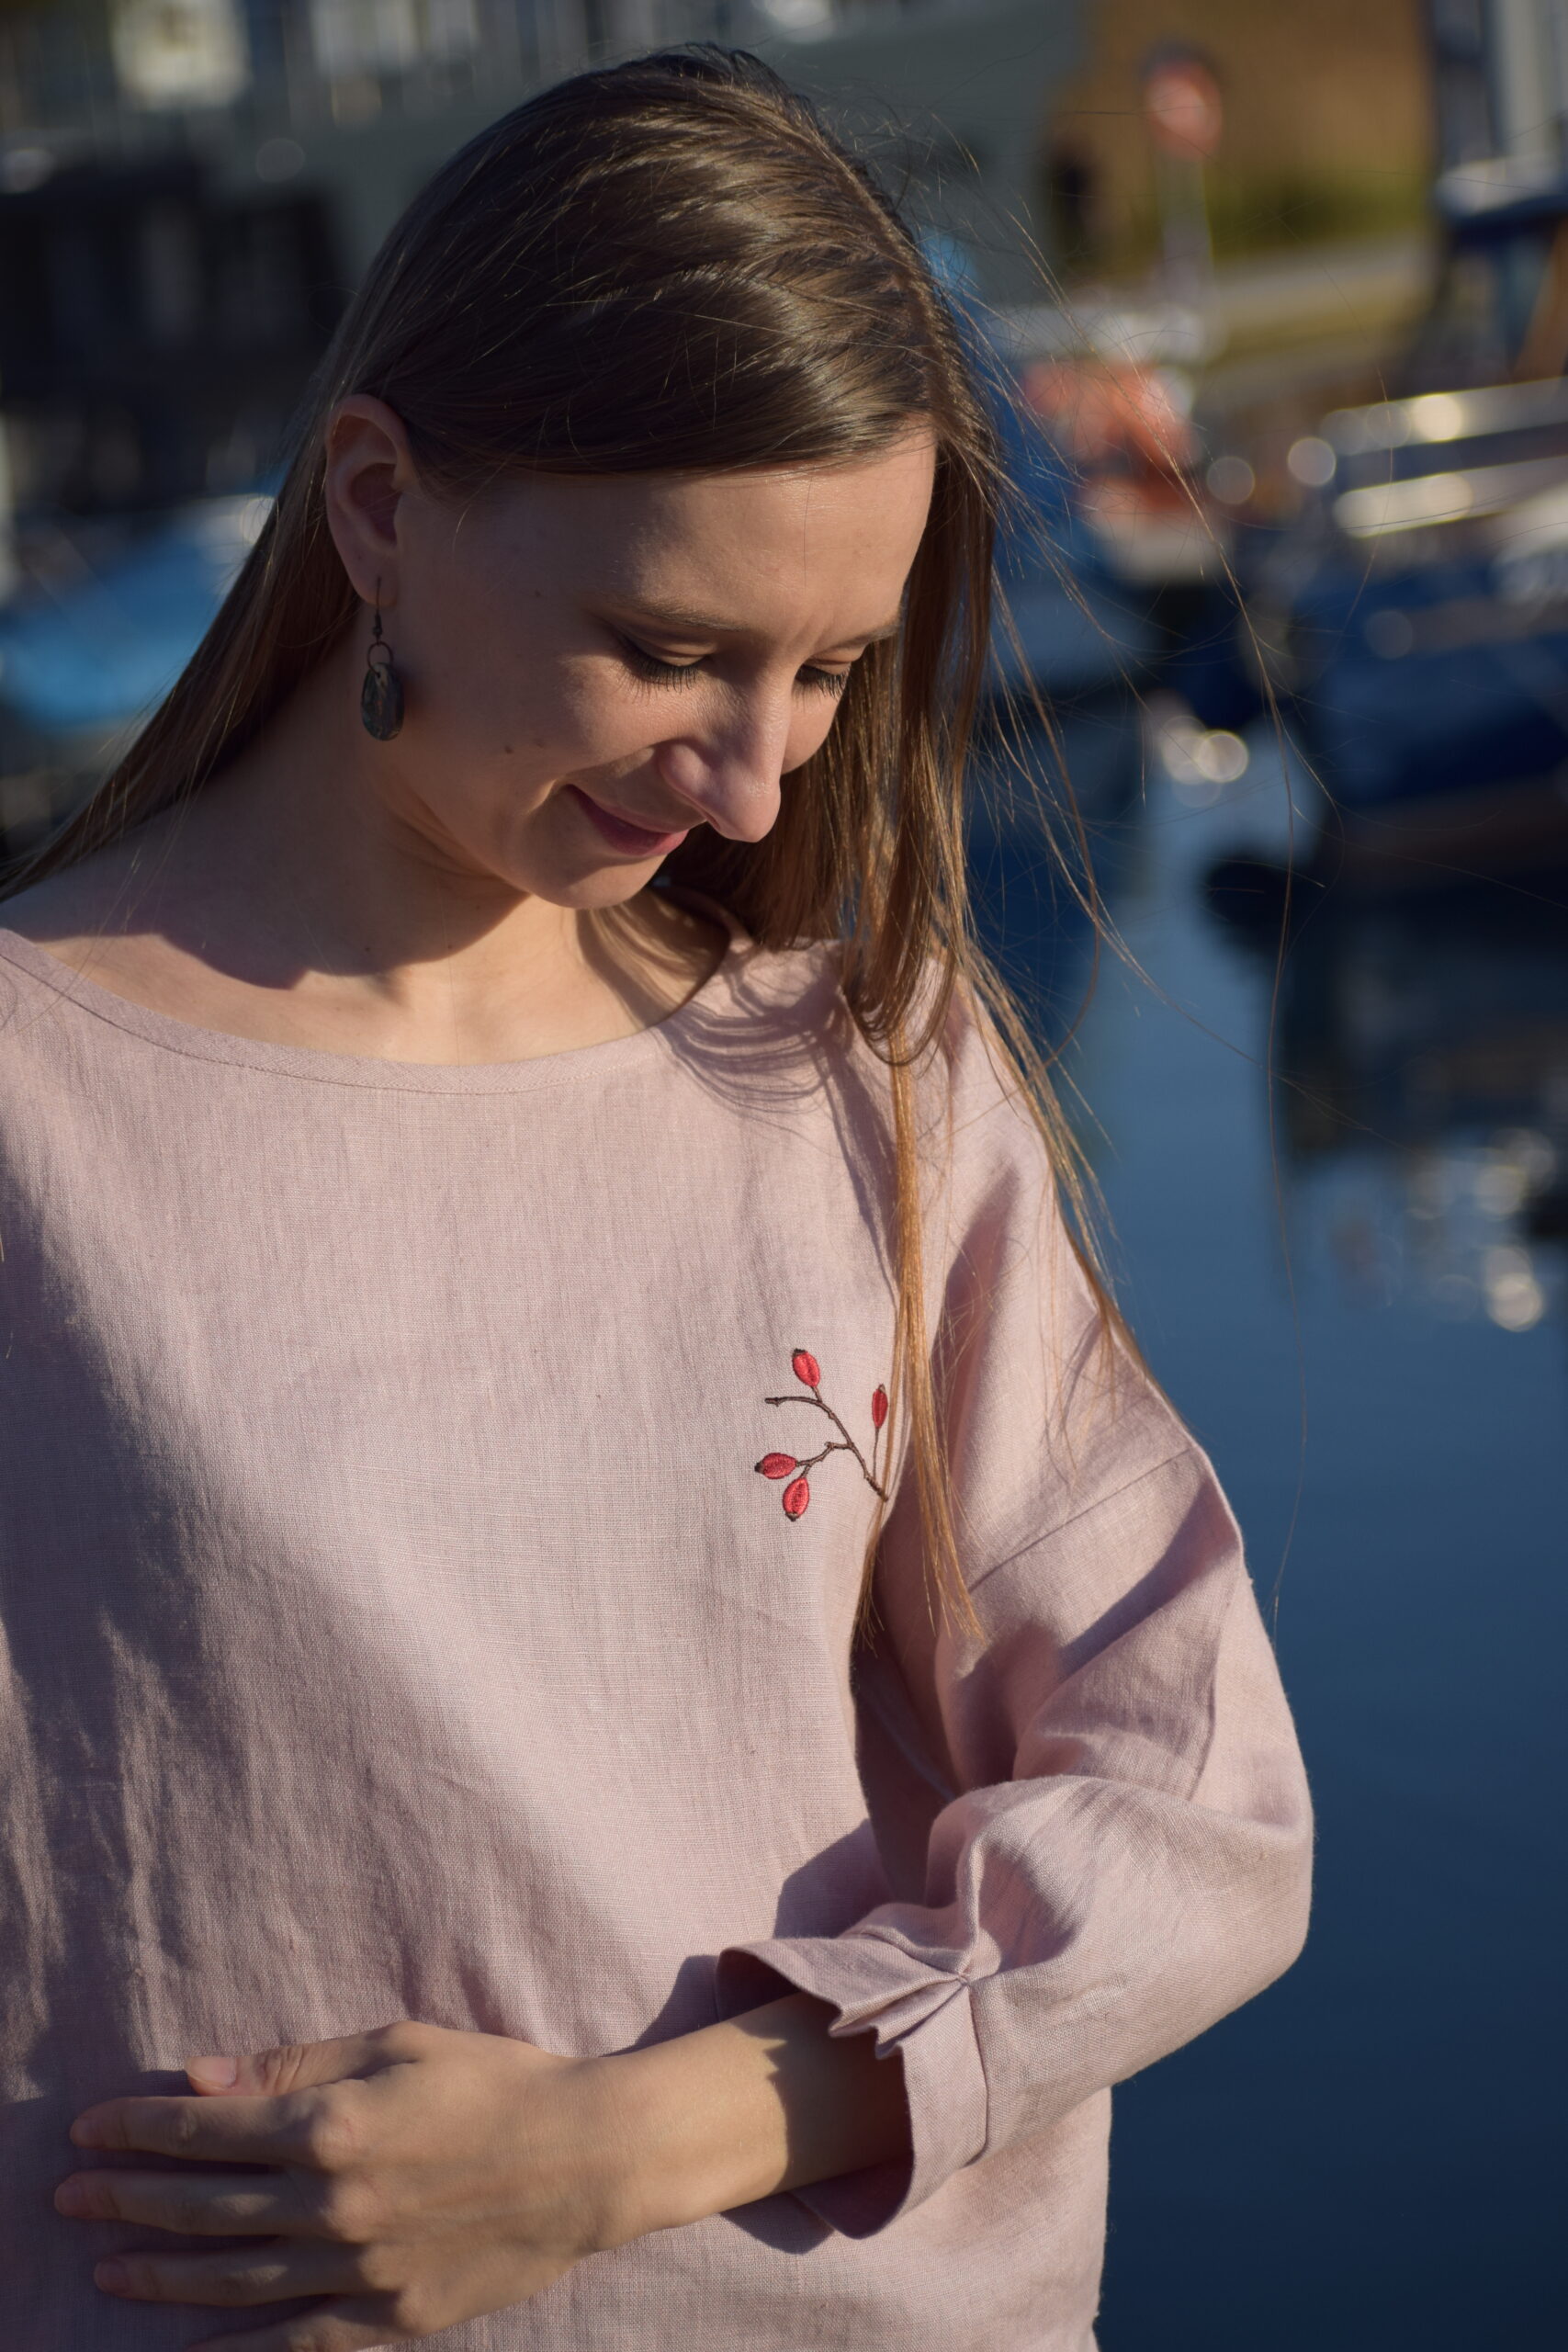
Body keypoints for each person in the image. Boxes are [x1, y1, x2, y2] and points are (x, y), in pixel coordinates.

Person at [0, 47, 1312, 2352]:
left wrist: (625, 2144)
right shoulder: (38, 1107)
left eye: (826, 670)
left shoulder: (860, 1073)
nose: (753, 779)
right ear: (379, 504)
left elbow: (1194, 1804)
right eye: (674, 650)